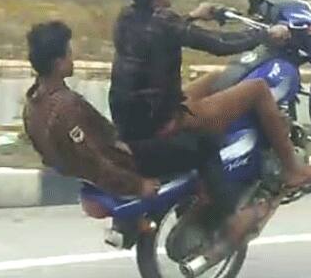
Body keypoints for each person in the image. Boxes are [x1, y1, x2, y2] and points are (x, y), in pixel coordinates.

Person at [21, 20, 265, 243]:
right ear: (58, 63)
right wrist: (137, 185)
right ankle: (226, 218)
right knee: (205, 142)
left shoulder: (33, 103)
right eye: (69, 53)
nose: (73, 57)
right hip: (126, 161)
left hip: (108, 155)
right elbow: (94, 161)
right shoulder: (66, 107)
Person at [109, 0, 311, 192]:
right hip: (163, 122)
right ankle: (293, 170)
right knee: (257, 88)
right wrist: (266, 34)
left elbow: (160, 32)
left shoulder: (127, 18)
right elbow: (220, 44)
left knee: (216, 78)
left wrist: (194, 16)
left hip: (132, 120)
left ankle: (237, 137)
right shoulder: (165, 23)